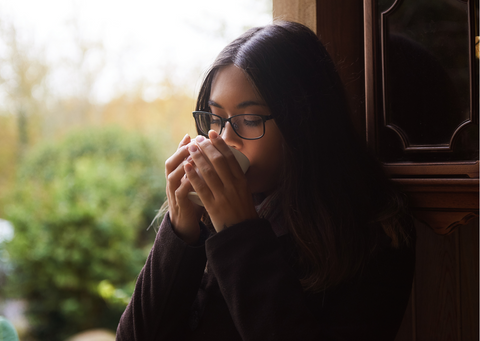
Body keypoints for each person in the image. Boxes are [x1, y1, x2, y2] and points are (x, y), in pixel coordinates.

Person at [116, 21, 415, 341]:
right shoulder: (207, 219)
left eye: (250, 120)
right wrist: (179, 229)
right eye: (215, 119)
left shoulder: (375, 233)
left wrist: (240, 233)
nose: (225, 140)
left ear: (303, 123)